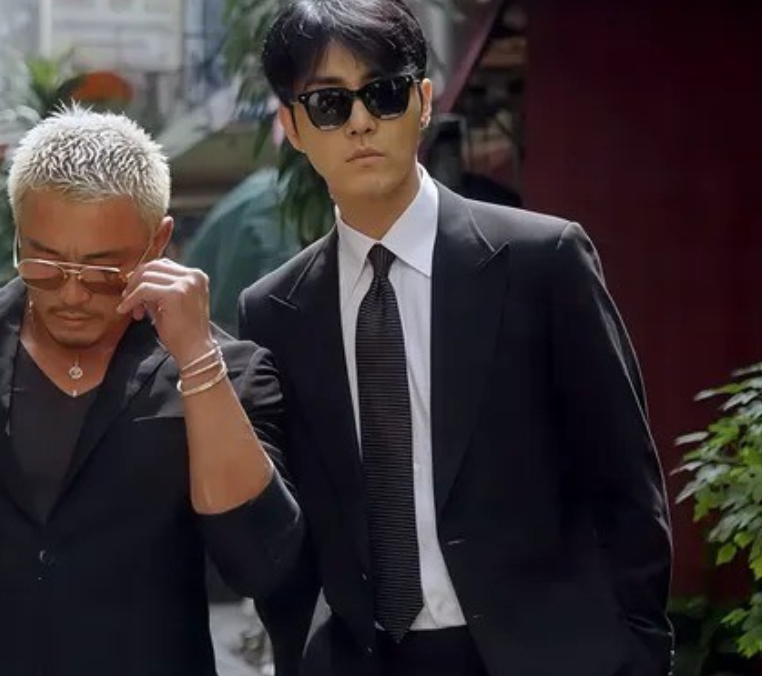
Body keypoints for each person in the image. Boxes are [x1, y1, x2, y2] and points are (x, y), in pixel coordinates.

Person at [239, 2, 674, 675]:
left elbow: (625, 481)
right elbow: (289, 522)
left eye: (383, 94)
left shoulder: (542, 261)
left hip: (545, 656)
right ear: (293, 127)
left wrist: (639, 651)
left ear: (422, 103)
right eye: (328, 103)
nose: (360, 122)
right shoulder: (275, 311)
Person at [0, 107, 303, 676]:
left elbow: (260, 564)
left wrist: (196, 361)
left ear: (158, 242)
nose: (72, 294)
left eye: (102, 272)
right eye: (44, 264)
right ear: (18, 233)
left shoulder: (227, 372)